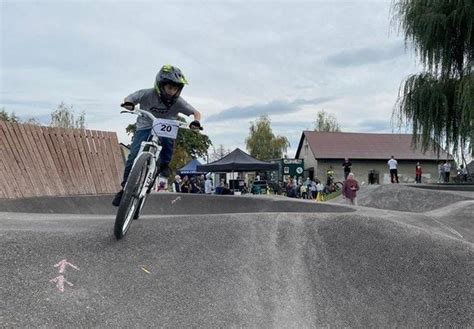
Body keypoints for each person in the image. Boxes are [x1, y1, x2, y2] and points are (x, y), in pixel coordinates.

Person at [112, 65, 203, 206]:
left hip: (166, 127)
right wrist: (128, 103)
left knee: (168, 141)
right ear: (160, 85)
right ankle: (124, 188)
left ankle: (164, 164)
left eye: (175, 88)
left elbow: (196, 113)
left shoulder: (178, 102)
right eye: (169, 87)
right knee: (133, 155)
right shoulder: (147, 94)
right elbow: (129, 98)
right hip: (145, 126)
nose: (172, 92)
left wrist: (196, 122)